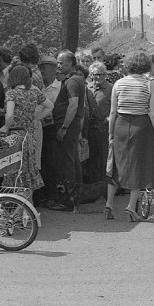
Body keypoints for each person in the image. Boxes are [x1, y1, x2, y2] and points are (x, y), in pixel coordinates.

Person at [104, 50, 154, 221]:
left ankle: (109, 203)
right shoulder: (149, 85)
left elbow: (113, 111)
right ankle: (130, 206)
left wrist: (110, 134)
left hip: (120, 124)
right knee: (138, 165)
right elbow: (153, 113)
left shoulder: (119, 84)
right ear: (145, 65)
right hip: (141, 125)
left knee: (115, 164)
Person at [0, 65, 51, 201]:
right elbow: (50, 106)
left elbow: (10, 115)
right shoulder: (34, 92)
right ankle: (28, 205)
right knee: (28, 168)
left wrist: (5, 127)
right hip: (30, 134)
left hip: (16, 135)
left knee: (14, 168)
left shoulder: (12, 93)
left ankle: (16, 205)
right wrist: (35, 118)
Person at [48, 50, 86, 210]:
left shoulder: (72, 82)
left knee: (67, 162)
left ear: (69, 64)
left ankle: (68, 200)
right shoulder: (75, 80)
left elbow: (74, 105)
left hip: (67, 126)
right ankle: (75, 196)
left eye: (60, 63)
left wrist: (64, 127)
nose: (58, 66)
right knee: (72, 160)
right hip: (72, 126)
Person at [36, 55, 61, 205]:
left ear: (52, 71)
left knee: (50, 163)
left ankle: (51, 195)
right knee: (40, 163)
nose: (41, 73)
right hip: (40, 128)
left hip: (51, 128)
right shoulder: (39, 88)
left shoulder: (59, 88)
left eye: (43, 70)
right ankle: (42, 195)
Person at [86, 61, 112, 184]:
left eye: (102, 74)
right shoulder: (87, 88)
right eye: (95, 74)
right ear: (91, 75)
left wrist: (108, 119)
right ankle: (93, 182)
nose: (98, 77)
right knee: (91, 155)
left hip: (104, 126)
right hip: (89, 126)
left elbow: (115, 108)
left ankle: (104, 182)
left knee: (103, 155)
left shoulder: (111, 88)